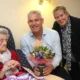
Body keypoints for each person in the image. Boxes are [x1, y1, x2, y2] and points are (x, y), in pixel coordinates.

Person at [21, 10, 72, 80]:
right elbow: (27, 58)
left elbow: (58, 55)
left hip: (54, 68)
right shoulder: (24, 39)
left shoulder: (54, 34)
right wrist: (33, 67)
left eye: (36, 20)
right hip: (36, 71)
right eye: (31, 21)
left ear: (42, 21)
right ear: (28, 23)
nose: (33, 23)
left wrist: (52, 66)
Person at [52, 6, 80, 80]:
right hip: (68, 60)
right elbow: (52, 36)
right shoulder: (56, 24)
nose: (60, 19)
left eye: (61, 15)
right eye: (57, 17)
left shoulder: (77, 22)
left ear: (66, 14)